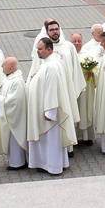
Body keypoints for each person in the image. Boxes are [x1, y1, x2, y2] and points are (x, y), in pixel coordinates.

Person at [26, 38, 77, 174]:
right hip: (42, 109)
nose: (38, 51)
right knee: (45, 141)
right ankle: (45, 163)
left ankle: (53, 166)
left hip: (48, 113)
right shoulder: (47, 63)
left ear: (49, 49)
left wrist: (50, 111)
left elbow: (52, 89)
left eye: (40, 49)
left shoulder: (53, 66)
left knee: (51, 141)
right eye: (37, 48)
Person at [0, 57, 28, 169]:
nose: (2, 66)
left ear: (11, 68)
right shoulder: (8, 78)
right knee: (10, 140)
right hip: (8, 115)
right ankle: (14, 161)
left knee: (14, 139)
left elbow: (15, 101)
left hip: (14, 118)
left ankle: (18, 163)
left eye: (4, 65)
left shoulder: (17, 81)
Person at [71, 33, 96, 145]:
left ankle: (87, 137)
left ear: (82, 41)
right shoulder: (69, 55)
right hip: (73, 90)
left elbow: (96, 70)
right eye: (74, 41)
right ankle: (74, 137)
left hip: (86, 89)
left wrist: (91, 72)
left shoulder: (88, 55)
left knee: (85, 110)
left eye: (79, 41)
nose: (77, 44)